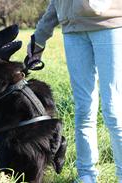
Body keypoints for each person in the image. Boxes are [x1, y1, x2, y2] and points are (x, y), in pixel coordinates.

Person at [27, 1, 122, 183]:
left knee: (113, 110)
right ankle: (86, 175)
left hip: (110, 25)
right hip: (73, 31)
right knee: (83, 109)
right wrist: (39, 39)